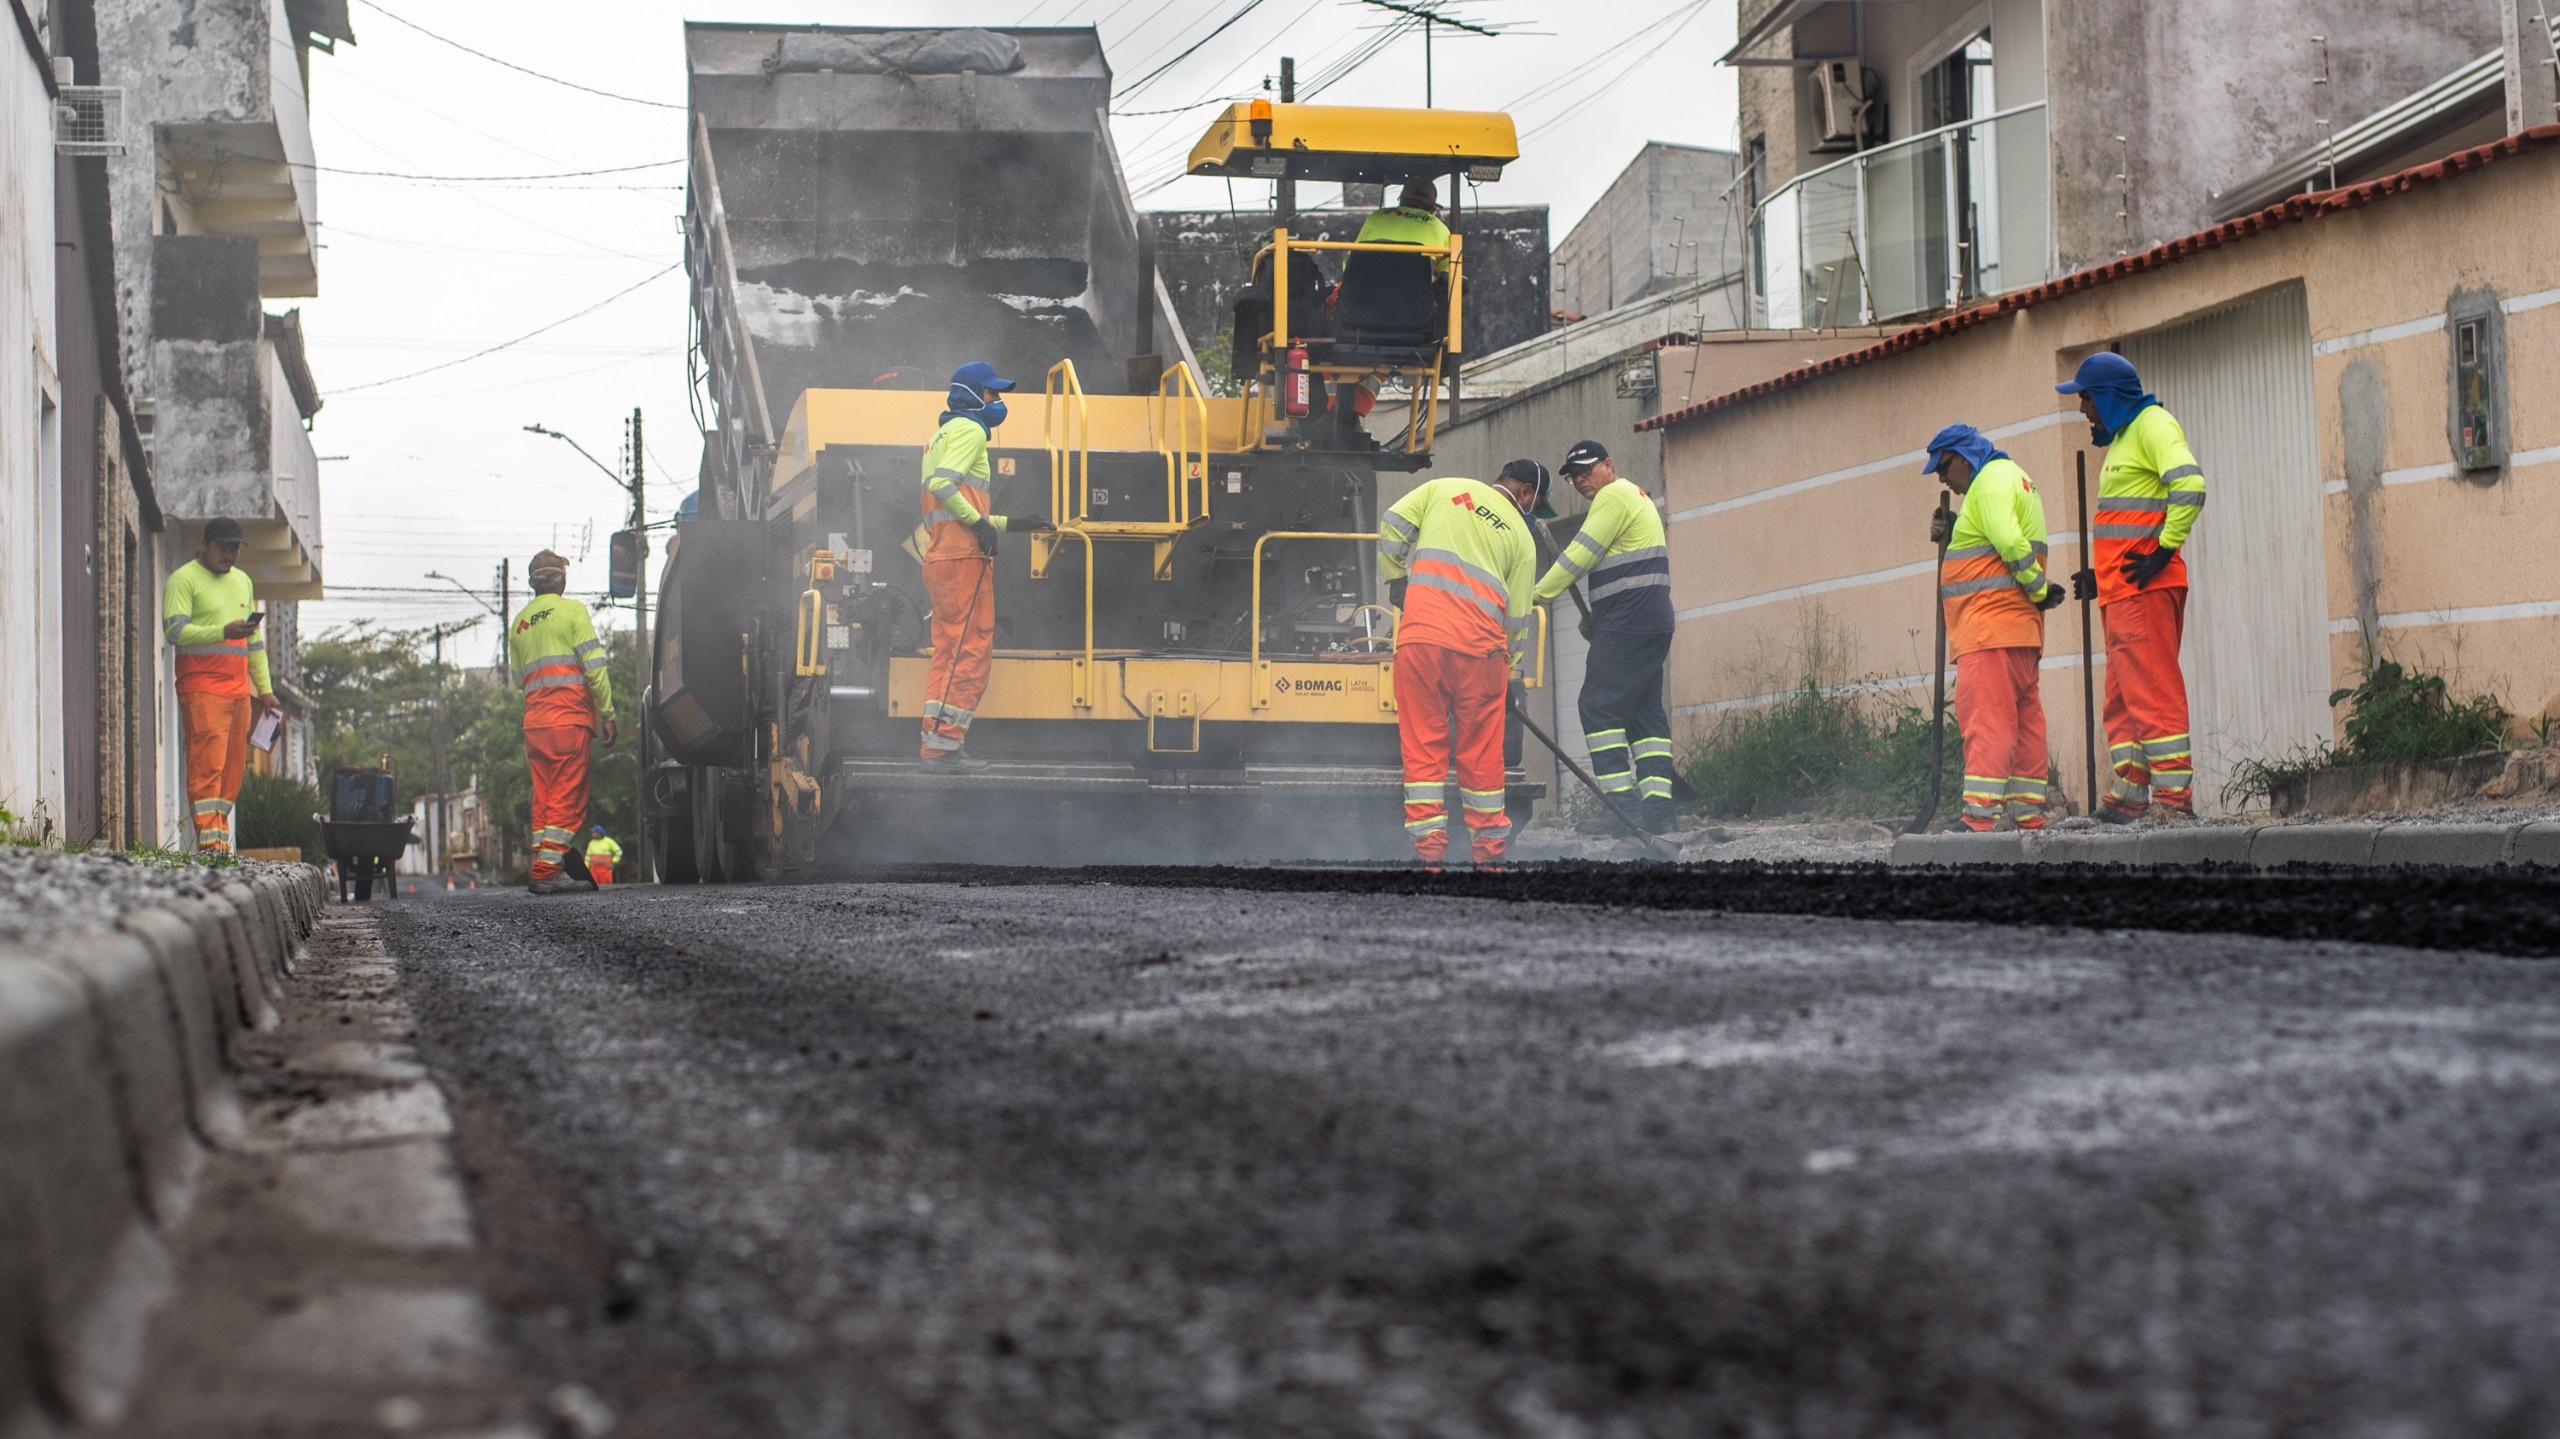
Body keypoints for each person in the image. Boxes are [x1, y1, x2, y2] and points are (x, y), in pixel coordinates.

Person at [2058, 353, 2208, 822]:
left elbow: (2190, 485)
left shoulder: (2152, 425)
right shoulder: (2125, 439)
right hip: (2124, 592)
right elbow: (2127, 526)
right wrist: (2098, 575)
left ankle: (2173, 802)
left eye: (2085, 398)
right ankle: (2129, 795)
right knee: (2122, 697)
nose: (2082, 409)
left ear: (2106, 397)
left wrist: (2164, 551)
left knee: (2153, 692)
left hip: (2144, 592)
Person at [1377, 466, 1541, 869]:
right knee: (1483, 754)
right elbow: (1517, 619)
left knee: (1424, 746)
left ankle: (1429, 855)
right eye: (1536, 503)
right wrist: (1510, 671)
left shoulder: (1444, 487)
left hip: (1422, 641)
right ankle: (1489, 858)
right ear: (1524, 492)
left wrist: (1396, 577)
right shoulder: (1523, 537)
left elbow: (1392, 524)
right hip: (1481, 654)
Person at [1925, 423, 2066, 831]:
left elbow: (2008, 541)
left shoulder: (1987, 485)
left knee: (1987, 721)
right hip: (2020, 634)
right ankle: (2027, 816)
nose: (1941, 478)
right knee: (2024, 723)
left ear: (1964, 458)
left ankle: (1978, 819)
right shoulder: (2018, 479)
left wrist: (2038, 589)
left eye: (1943, 467)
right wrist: (1955, 530)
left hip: (1988, 632)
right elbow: (1991, 547)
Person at [1535, 441, 1679, 835]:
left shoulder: (1613, 496)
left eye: (1586, 470)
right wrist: (1600, 617)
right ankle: (1659, 811)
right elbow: (1628, 570)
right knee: (1644, 712)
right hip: (1649, 620)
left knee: (1597, 705)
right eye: (1574, 476)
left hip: (1630, 622)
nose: (1580, 480)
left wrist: (1535, 596)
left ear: (1609, 466)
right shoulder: (1635, 497)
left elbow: (1579, 556)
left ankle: (1622, 809)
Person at [916, 361, 1050, 769]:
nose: (998, 400)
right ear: (973, 395)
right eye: (992, 393)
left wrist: (1012, 525)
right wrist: (979, 525)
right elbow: (945, 487)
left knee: (949, 651)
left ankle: (935, 742)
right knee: (970, 651)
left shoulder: (939, 436)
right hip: (963, 560)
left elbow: (948, 505)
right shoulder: (971, 430)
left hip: (942, 557)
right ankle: (942, 747)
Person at [161, 516, 280, 855]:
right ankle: (210, 844)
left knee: (230, 773)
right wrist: (222, 631)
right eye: (223, 548)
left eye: (235, 549)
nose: (230, 555)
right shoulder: (183, 580)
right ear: (205, 544)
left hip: (239, 692)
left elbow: (254, 644)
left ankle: (218, 841)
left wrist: (266, 690)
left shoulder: (243, 582)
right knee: (206, 767)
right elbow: (174, 631)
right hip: (201, 688)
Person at [510, 549, 615, 894]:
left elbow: (516, 679)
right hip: (568, 720)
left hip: (535, 726)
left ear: (531, 583)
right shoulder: (573, 611)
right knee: (567, 798)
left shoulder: (520, 624)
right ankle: (546, 871)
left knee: (545, 798)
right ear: (563, 580)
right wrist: (608, 714)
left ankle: (544, 862)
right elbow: (595, 669)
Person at [1332, 179, 1455, 443]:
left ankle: (1332, 411)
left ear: (1401, 199)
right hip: (1411, 327)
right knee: (1379, 362)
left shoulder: (1377, 218)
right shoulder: (1441, 231)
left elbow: (1351, 269)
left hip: (1358, 320)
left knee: (1329, 353)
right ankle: (1352, 414)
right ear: (1432, 207)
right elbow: (1449, 284)